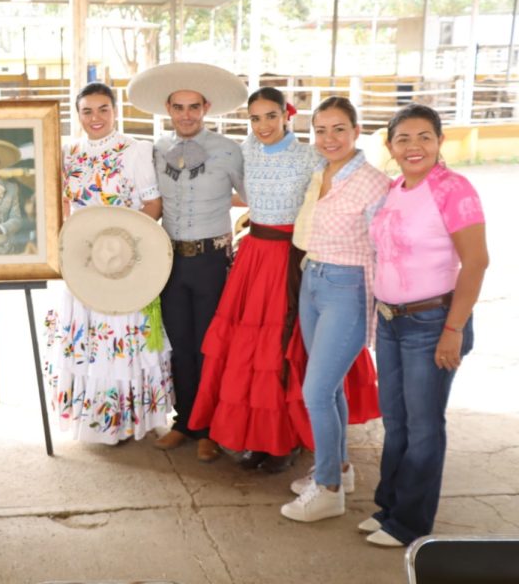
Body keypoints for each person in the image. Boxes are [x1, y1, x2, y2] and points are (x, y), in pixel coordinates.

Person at [189, 88, 380, 473]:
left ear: (286, 115)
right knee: (250, 350)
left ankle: (287, 440)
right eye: (255, 118)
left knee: (284, 348)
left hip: (293, 259)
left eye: (271, 116)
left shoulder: (312, 156)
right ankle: (256, 437)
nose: (263, 126)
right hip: (254, 257)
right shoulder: (246, 150)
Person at [364, 104, 488, 547]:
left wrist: (453, 330)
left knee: (423, 424)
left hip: (432, 322)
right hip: (393, 320)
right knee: (396, 420)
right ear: (391, 146)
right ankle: (389, 508)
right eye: (404, 139)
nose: (414, 146)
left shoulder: (453, 189)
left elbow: (475, 262)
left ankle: (410, 523)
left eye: (424, 137)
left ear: (439, 142)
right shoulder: (396, 187)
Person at [126, 62, 247, 461]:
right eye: (179, 107)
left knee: (210, 346)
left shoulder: (230, 150)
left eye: (194, 107)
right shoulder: (155, 150)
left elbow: (251, 197)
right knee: (179, 346)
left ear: (206, 107)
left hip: (213, 260)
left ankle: (211, 427)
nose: (186, 115)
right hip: (170, 261)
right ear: (168, 109)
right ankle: (185, 423)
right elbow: (148, 201)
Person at [281, 96, 390, 523]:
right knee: (334, 386)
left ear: (356, 131)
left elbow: (387, 248)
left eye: (338, 129)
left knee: (316, 391)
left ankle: (327, 490)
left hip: (348, 287)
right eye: (321, 130)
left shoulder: (373, 183)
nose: (329, 138)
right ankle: (339, 468)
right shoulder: (319, 174)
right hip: (313, 278)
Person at [45, 82, 174, 444]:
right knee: (88, 339)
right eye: (87, 111)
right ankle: (96, 422)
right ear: (78, 114)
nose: (95, 117)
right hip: (84, 261)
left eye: (103, 109)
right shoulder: (68, 153)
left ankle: (127, 422)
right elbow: (63, 205)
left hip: (124, 261)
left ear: (115, 111)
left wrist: (129, 246)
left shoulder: (134, 150)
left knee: (119, 336)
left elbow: (152, 204)